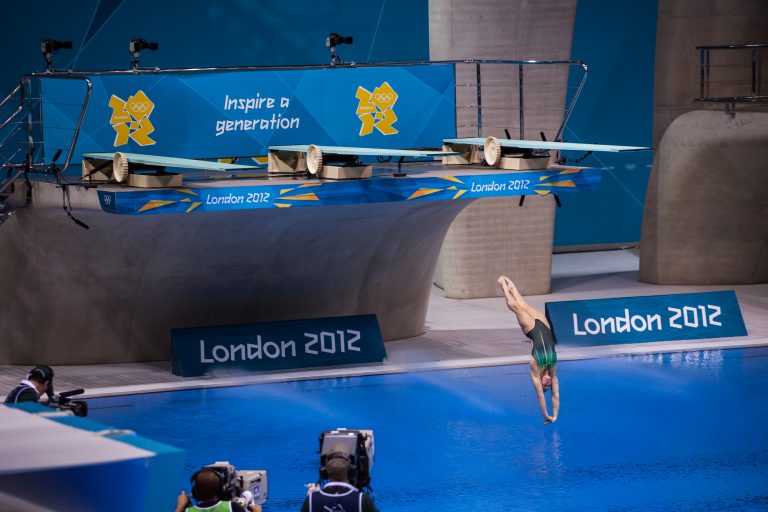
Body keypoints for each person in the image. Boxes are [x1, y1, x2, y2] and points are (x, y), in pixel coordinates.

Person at [498, 276, 560, 423]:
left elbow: (540, 396)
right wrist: (555, 415)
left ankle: (504, 287)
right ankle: (512, 286)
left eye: (545, 385)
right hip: (545, 328)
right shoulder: (552, 369)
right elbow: (555, 395)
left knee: (517, 308)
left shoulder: (534, 365)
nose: (548, 383)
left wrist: (546, 416)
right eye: (548, 385)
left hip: (531, 329)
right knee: (524, 305)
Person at [301, 444, 377, 512]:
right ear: (351, 470)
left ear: (324, 471)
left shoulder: (311, 501)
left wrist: (314, 499)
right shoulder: (362, 501)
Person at [175, 468, 261, 512]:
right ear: (220, 490)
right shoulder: (233, 507)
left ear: (194, 493)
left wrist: (180, 507)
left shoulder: (188, 511)